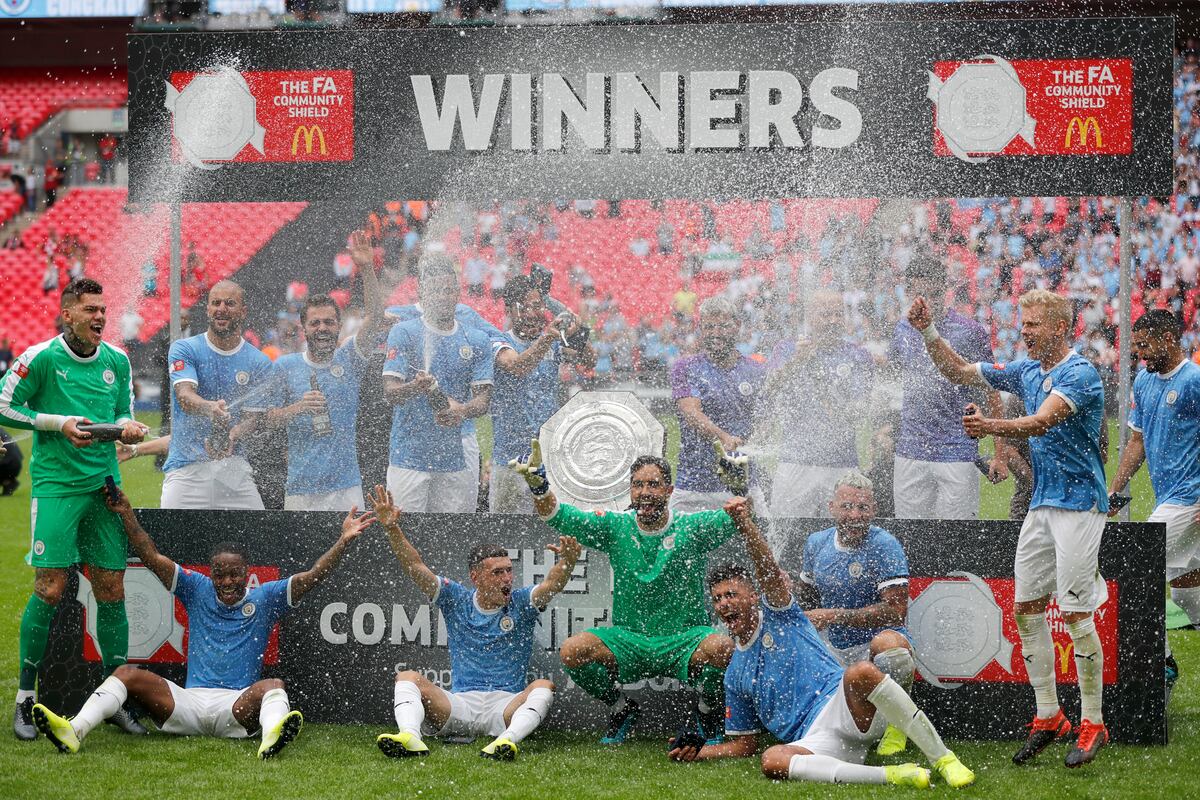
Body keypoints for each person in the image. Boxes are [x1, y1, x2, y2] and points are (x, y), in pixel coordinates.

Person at [908, 288, 1110, 768]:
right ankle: (1048, 715)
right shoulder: (1027, 370)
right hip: (1043, 504)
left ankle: (1094, 722)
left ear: (1059, 327)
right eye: (1023, 323)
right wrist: (928, 332)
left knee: (1078, 614)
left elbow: (1041, 422)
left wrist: (990, 429)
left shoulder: (1080, 373)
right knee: (1025, 608)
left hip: (1080, 505)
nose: (1024, 331)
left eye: (1033, 324)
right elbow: (959, 371)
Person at [30, 485, 373, 758]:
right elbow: (149, 555)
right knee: (124, 674)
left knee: (274, 686)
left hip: (236, 708)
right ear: (211, 573)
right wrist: (127, 514)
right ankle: (73, 731)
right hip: (187, 706)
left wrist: (343, 540)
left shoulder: (266, 597)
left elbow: (314, 575)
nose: (226, 582)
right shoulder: (195, 588)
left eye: (234, 575)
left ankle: (271, 739)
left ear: (247, 574)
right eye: (219, 575)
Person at [668, 496, 975, 789]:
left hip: (846, 708)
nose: (723, 604)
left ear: (753, 597)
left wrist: (746, 524)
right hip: (815, 741)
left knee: (859, 672)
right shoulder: (734, 673)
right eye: (718, 599)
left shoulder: (781, 615)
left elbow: (768, 570)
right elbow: (744, 744)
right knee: (772, 758)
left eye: (731, 595)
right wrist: (699, 751)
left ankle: (944, 760)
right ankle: (893, 775)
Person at [0, 278, 149, 740]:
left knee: (111, 586)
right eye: (89, 310)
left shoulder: (117, 360)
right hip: (57, 487)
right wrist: (57, 422)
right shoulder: (41, 356)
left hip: (105, 486)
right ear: (68, 314)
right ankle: (26, 701)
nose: (99, 317)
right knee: (50, 586)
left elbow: (121, 411)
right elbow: (5, 405)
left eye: (103, 309)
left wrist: (127, 428)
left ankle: (117, 698)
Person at [514, 446, 733, 743]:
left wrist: (738, 485)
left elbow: (739, 516)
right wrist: (539, 486)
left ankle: (707, 711)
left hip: (685, 638)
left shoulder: (691, 527)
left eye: (653, 484)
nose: (645, 491)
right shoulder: (615, 526)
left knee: (722, 647)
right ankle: (621, 707)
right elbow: (556, 515)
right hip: (630, 639)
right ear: (630, 490)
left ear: (668, 490)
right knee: (572, 650)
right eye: (638, 485)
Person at [368, 485, 580, 759]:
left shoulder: (521, 602)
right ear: (476, 577)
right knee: (407, 677)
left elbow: (552, 584)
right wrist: (392, 529)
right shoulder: (456, 598)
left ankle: (506, 741)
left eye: (509, 571)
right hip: (459, 705)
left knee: (543, 686)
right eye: (497, 573)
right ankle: (410, 737)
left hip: (505, 707)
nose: (507, 578)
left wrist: (568, 564)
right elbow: (416, 567)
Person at [1108, 309, 1200, 694]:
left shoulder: (1194, 379)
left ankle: (1163, 664)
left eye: (1145, 345)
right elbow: (1136, 441)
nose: (1140, 353)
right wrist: (1114, 488)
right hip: (1173, 497)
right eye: (1137, 346)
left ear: (1168, 339)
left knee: (1137, 568)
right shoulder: (1144, 382)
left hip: (1189, 498)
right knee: (1185, 590)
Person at [267, 230, 389, 511]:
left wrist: (367, 268)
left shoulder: (350, 359)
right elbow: (268, 419)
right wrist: (297, 408)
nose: (322, 328)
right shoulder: (286, 366)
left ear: (339, 326)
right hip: (300, 487)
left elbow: (376, 317)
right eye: (315, 323)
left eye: (329, 322)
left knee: (352, 554)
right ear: (304, 328)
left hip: (346, 487)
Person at [795, 471, 914, 757]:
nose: (855, 515)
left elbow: (896, 612)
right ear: (831, 508)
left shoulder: (885, 545)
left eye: (863, 507)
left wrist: (835, 615)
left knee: (893, 650)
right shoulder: (816, 543)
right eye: (847, 507)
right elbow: (807, 602)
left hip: (871, 646)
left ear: (874, 509)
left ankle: (899, 723)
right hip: (833, 649)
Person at [888, 251, 1007, 519]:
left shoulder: (969, 331)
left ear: (944, 289)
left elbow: (992, 390)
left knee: (956, 538)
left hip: (957, 449)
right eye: (919, 294)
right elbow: (892, 388)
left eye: (932, 294)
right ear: (908, 290)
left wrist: (1000, 453)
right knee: (911, 538)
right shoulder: (901, 331)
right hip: (911, 449)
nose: (926, 302)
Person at [382, 258, 494, 513]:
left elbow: (483, 400)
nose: (442, 297)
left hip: (454, 461)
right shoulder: (404, 332)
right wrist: (416, 387)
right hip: (408, 458)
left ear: (457, 293)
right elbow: (389, 393)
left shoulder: (476, 339)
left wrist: (462, 411)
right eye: (434, 291)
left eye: (447, 290)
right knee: (403, 534)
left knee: (452, 536)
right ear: (422, 293)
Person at [161, 281, 276, 509]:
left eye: (230, 303)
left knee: (256, 539)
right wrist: (210, 408)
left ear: (243, 311)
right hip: (186, 470)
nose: (221, 308)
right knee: (171, 541)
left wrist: (233, 435)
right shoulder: (184, 348)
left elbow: (253, 418)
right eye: (215, 303)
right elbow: (184, 396)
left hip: (233, 470)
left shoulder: (259, 361)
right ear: (207, 309)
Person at [764, 290, 874, 518]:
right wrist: (797, 361)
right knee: (785, 535)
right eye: (825, 315)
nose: (832, 321)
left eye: (837, 314)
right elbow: (769, 390)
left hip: (841, 464)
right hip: (795, 461)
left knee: (842, 534)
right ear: (811, 317)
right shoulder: (787, 349)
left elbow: (860, 407)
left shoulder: (858, 356)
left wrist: (839, 407)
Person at [490, 275, 595, 513]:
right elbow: (518, 366)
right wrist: (548, 337)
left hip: (548, 458)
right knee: (505, 532)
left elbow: (590, 360)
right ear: (509, 310)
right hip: (509, 460)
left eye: (537, 306)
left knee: (546, 530)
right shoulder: (497, 340)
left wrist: (574, 327)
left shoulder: (554, 343)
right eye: (524, 307)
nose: (531, 313)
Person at [669, 296, 767, 513]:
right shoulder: (686, 367)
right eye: (709, 327)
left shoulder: (755, 370)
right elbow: (691, 412)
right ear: (701, 329)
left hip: (741, 482)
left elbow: (765, 419)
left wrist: (754, 441)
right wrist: (723, 437)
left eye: (723, 326)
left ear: (737, 326)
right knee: (673, 544)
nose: (716, 333)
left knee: (762, 542)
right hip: (693, 485)